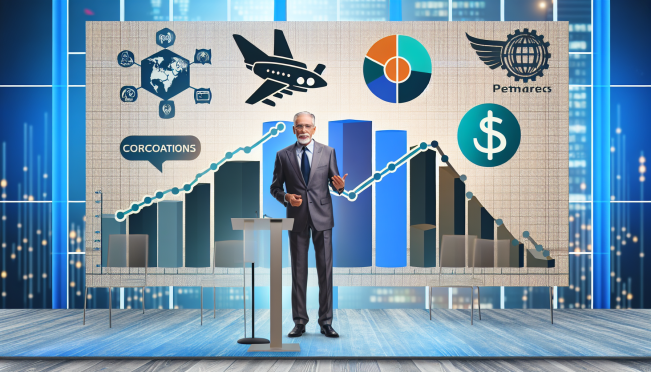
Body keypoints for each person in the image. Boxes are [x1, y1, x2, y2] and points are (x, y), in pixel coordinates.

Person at [270, 111, 347, 338]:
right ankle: (300, 322)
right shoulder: (282, 155)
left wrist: (340, 186)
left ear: (314, 129)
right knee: (298, 272)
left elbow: (336, 184)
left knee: (325, 272)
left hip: (322, 218)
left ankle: (326, 322)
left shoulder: (328, 152)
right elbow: (274, 188)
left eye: (307, 126)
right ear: (293, 129)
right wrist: (286, 198)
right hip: (297, 218)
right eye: (299, 126)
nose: (303, 130)